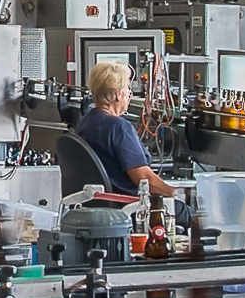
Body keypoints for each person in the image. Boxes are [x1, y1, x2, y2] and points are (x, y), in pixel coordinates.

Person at [65, 56, 174, 199]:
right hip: (128, 204)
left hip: (99, 203)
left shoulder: (86, 122)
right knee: (188, 211)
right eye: (128, 88)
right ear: (118, 94)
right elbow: (145, 180)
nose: (129, 94)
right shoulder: (119, 127)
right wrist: (179, 193)